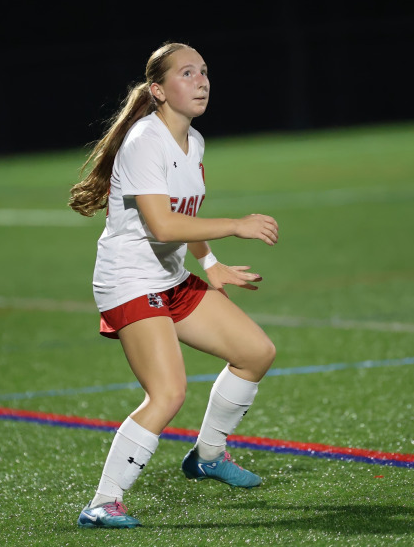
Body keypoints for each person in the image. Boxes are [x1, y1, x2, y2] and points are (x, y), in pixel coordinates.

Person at [67, 42, 279, 529]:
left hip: (168, 277)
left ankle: (207, 455)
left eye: (204, 71)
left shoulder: (194, 141)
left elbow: (185, 215)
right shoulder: (145, 139)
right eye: (188, 73)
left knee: (256, 352)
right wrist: (235, 225)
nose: (202, 81)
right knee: (167, 393)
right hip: (129, 280)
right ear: (159, 90)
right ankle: (103, 502)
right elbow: (162, 226)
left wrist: (213, 262)